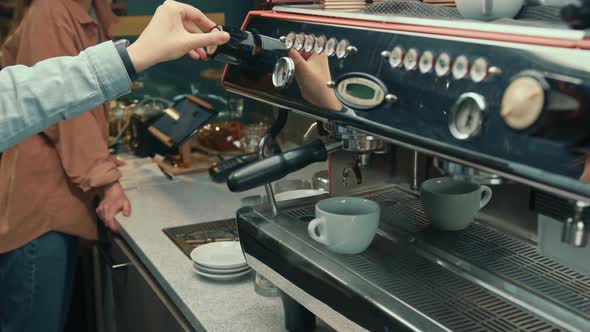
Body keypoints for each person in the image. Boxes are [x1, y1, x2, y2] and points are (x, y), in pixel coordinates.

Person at [0, 1, 228, 332]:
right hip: (37, 209)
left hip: (44, 202)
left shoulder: (70, 12)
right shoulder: (52, 10)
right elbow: (65, 114)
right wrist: (106, 180)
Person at [0, 0, 229, 153]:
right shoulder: (51, 11)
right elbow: (54, 111)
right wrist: (105, 178)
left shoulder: (85, 13)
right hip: (47, 199)